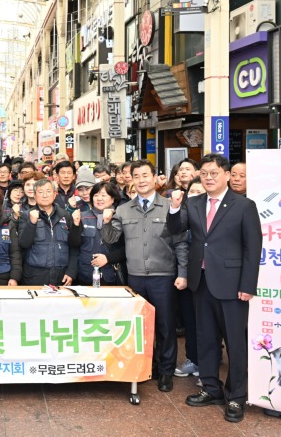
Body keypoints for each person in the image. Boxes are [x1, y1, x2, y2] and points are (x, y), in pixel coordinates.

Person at [167, 154, 262, 423]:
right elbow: (175, 230)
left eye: (214, 173)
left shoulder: (243, 205)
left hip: (233, 285)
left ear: (227, 175)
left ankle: (235, 396)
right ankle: (210, 388)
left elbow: (252, 248)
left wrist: (247, 284)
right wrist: (175, 208)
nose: (209, 178)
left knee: (235, 342)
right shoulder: (193, 202)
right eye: (205, 173)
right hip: (202, 281)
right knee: (205, 338)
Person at [102, 160, 189, 394]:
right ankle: (145, 366)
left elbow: (181, 243)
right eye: (136, 176)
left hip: (163, 276)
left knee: (165, 326)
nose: (140, 180)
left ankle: (166, 371)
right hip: (136, 277)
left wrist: (182, 273)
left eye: (145, 175)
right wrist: (106, 221)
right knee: (140, 327)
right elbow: (111, 240)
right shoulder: (123, 209)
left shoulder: (169, 206)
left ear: (154, 177)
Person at [18, 178, 81, 286]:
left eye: (48, 191)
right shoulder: (26, 215)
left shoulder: (65, 215)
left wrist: (71, 272)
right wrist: (32, 223)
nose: (45, 195)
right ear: (34, 195)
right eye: (40, 192)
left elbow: (74, 246)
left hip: (62, 274)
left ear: (55, 194)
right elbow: (24, 243)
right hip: (35, 275)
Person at [174, 176, 204, 382]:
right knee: (192, 322)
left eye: (199, 192)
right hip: (187, 275)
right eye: (192, 192)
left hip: (212, 277)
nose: (195, 196)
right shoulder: (183, 215)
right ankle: (194, 359)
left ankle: (208, 366)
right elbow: (179, 241)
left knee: (209, 324)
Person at [76, 182, 125, 286]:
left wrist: (108, 258)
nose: (99, 199)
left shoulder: (120, 217)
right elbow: (75, 245)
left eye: (103, 195)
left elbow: (128, 248)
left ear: (112, 199)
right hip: (85, 274)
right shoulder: (82, 217)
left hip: (111, 274)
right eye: (96, 195)